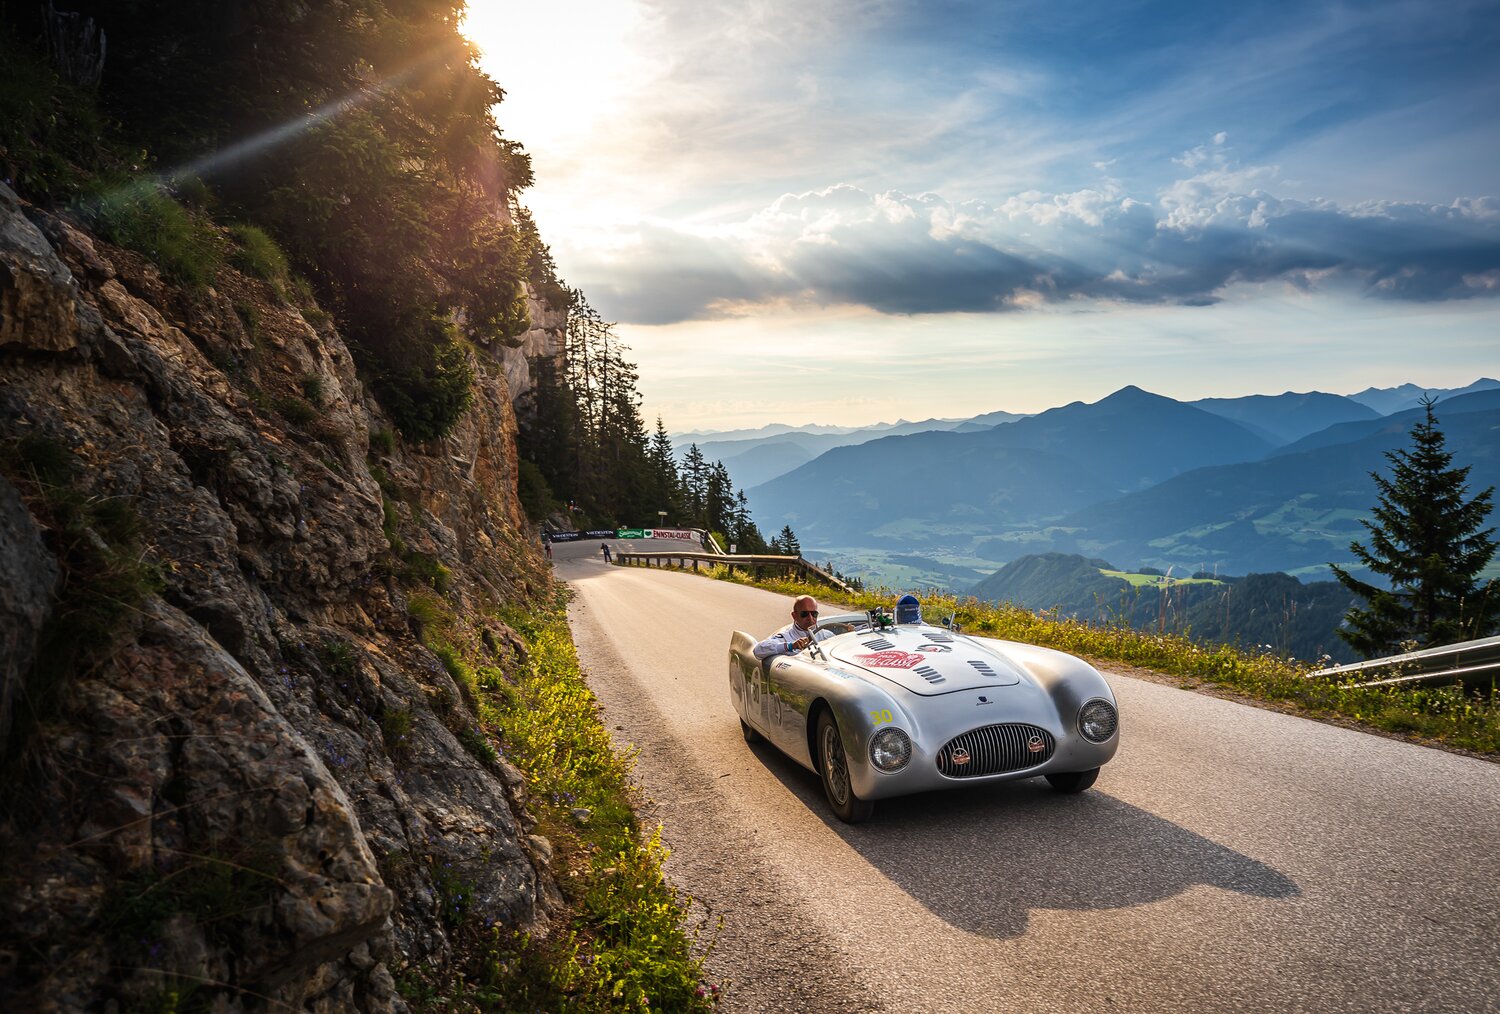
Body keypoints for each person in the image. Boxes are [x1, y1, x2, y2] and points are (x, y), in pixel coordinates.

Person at [753, 595, 833, 659]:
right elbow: (758, 650)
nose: (810, 618)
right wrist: (790, 646)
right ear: (794, 616)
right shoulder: (785, 636)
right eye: (804, 614)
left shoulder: (828, 636)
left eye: (814, 614)